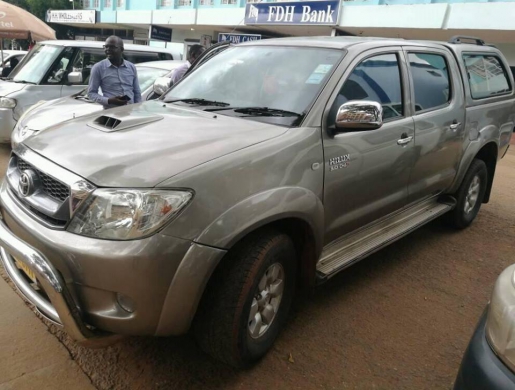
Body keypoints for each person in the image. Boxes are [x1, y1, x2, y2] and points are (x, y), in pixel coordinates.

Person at [87, 36, 141, 108]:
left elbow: (137, 92)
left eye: (112, 47)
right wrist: (109, 101)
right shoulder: (98, 68)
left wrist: (137, 109)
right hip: (111, 112)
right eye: (106, 47)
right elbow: (91, 93)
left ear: (121, 49)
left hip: (130, 111)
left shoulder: (131, 67)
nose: (108, 50)